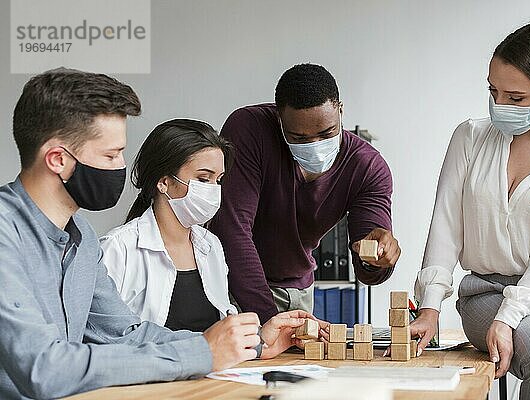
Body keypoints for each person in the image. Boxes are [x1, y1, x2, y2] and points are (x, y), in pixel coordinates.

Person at [1, 68, 267, 400]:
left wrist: (246, 343)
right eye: (111, 155)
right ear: (58, 159)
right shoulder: (4, 232)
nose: (121, 167)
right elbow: (44, 368)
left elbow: (125, 334)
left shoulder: (80, 236)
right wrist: (200, 353)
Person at [411, 22, 530, 400]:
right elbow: (445, 228)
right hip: (486, 291)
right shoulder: (469, 137)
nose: (499, 106)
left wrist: (512, 317)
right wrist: (430, 306)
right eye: (493, 91)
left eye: (515, 98)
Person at [100, 118, 327, 358]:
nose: (213, 189)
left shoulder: (211, 247)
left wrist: (263, 338)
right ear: (164, 182)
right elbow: (111, 339)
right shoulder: (118, 249)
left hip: (211, 380)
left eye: (218, 180)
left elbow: (221, 333)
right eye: (203, 178)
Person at [210, 63, 401, 323]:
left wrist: (377, 258)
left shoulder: (367, 167)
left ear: (340, 111)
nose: (315, 146)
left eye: (326, 133)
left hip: (297, 294)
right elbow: (232, 230)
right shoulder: (249, 128)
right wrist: (269, 320)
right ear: (279, 120)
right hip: (232, 287)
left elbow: (368, 265)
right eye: (299, 138)